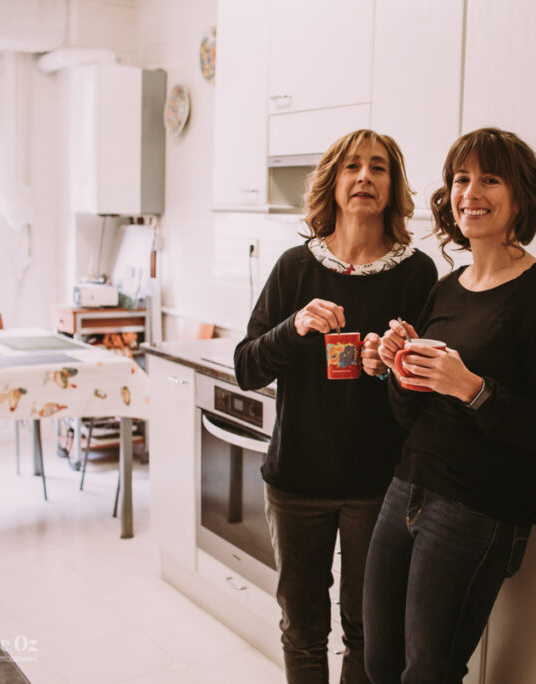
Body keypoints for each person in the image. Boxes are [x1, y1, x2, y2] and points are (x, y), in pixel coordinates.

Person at [361, 127, 536, 683]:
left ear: (519, 198)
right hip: (406, 488)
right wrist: (400, 370)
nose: (470, 192)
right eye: (461, 179)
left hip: (475, 509)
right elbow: (408, 414)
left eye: (490, 178)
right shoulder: (447, 287)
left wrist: (472, 389)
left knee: (427, 674)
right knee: (378, 662)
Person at [233, 129, 437, 683]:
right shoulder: (295, 268)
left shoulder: (417, 274)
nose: (364, 177)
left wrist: (389, 368)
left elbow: (420, 399)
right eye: (351, 167)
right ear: (334, 182)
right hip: (296, 480)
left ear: (393, 186)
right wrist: (294, 326)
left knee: (369, 633)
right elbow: (247, 367)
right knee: (301, 631)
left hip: (379, 486)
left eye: (378, 167)